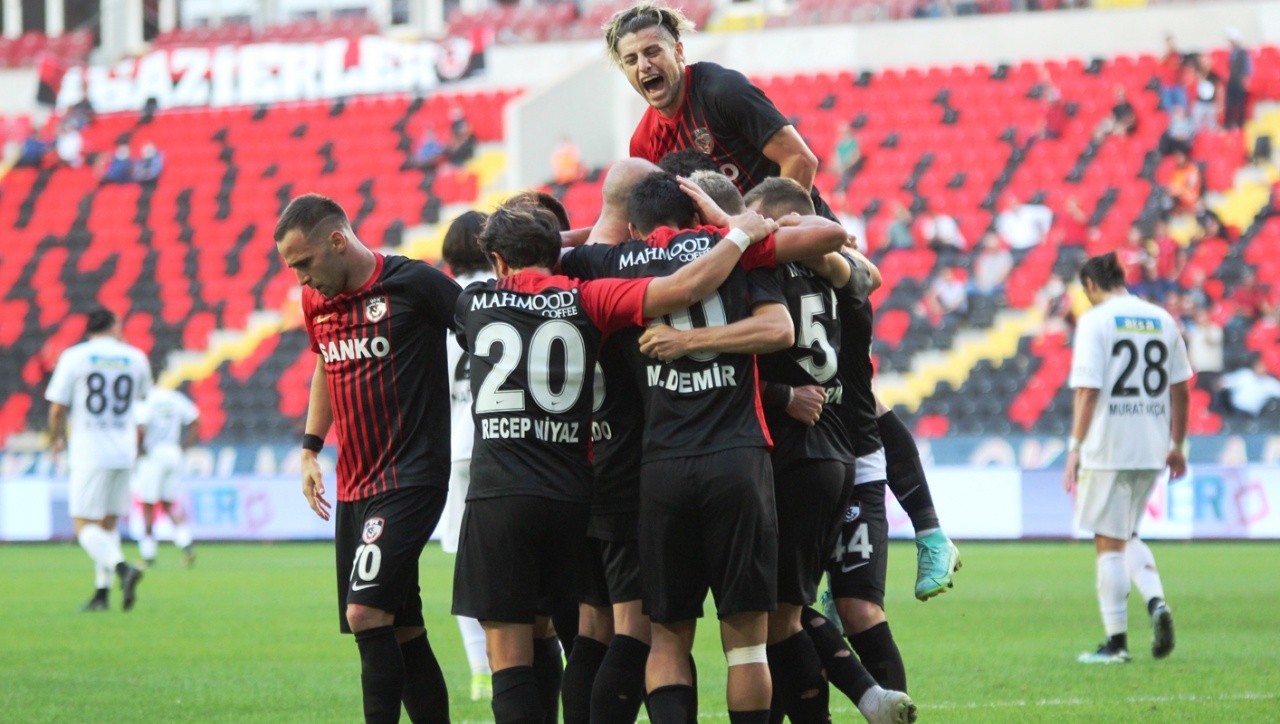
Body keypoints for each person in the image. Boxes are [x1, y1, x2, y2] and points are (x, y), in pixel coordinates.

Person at [452, 196, 777, 724]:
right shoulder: (590, 298)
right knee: (593, 635)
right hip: (575, 494)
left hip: (498, 492)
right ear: (553, 251)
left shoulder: (472, 302)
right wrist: (737, 235)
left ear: (498, 262)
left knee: (512, 659)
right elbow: (683, 287)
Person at [562, 171, 847, 722]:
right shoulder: (735, 252)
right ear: (696, 213)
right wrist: (730, 225)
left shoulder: (614, 264)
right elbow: (815, 259)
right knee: (746, 644)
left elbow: (550, 251)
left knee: (667, 640)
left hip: (661, 465)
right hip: (738, 460)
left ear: (636, 227)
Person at [275, 193, 457, 724]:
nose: (302, 281)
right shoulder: (317, 303)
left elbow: (482, 328)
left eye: (304, 264)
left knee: (364, 612)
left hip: (411, 476)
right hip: (355, 484)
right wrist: (310, 448)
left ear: (338, 240)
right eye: (292, 270)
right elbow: (325, 366)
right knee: (402, 627)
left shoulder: (414, 283)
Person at [1064, 251, 1191, 664]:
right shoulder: (1161, 318)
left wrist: (1074, 449)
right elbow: (1182, 387)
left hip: (1107, 445)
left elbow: (1087, 390)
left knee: (1108, 541)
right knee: (1127, 533)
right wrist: (1178, 445)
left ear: (1090, 286)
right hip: (1152, 444)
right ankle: (1156, 603)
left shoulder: (1096, 321)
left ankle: (1116, 644)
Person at [605, 1, 833, 218]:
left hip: (794, 231)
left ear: (678, 51)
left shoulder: (722, 90)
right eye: (631, 60)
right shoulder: (643, 142)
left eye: (652, 51)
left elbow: (799, 159)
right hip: (729, 248)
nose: (644, 65)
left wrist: (767, 239)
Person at [45, 307, 150, 612]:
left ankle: (122, 568)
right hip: (123, 450)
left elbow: (56, 408)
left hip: (90, 452)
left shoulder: (75, 357)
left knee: (84, 527)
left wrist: (55, 440)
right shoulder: (135, 358)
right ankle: (102, 593)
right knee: (108, 525)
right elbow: (140, 401)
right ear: (115, 325)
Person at [437, 210, 495, 702]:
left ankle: (480, 671)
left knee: (467, 568)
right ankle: (554, 649)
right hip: (512, 440)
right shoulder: (512, 291)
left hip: (458, 446)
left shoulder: (440, 307)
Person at [134, 385, 200, 568]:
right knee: (168, 504)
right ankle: (187, 545)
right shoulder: (175, 398)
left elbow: (141, 427)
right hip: (173, 452)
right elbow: (196, 420)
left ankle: (148, 556)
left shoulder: (147, 400)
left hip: (153, 454)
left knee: (147, 505)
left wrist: (138, 450)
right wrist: (184, 446)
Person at [1224, 28, 1252, 129]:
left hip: (1239, 81)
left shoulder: (1242, 53)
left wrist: (1246, 80)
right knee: (1229, 104)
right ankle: (1228, 124)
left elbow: (1248, 68)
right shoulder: (1232, 53)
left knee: (1240, 104)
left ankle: (1240, 124)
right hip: (1232, 81)